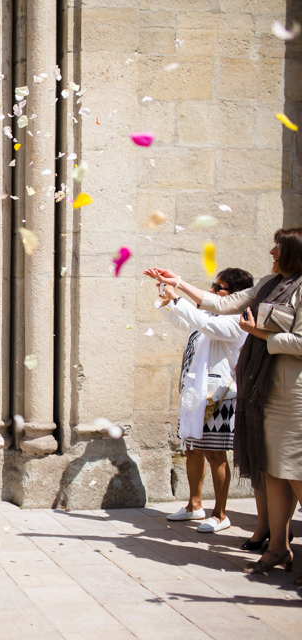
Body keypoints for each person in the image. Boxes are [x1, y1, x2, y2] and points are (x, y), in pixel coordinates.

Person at [145, 227, 302, 581]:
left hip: (292, 393)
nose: (271, 251)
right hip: (264, 389)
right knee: (273, 468)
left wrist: (263, 334)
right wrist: (179, 283)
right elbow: (222, 304)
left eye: (278, 247)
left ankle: (230, 517)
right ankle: (278, 548)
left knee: (295, 470)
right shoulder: (267, 284)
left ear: (294, 252)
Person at [153, 268, 253, 534]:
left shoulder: (236, 320)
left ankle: (220, 514)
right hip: (194, 393)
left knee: (214, 453)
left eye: (218, 288)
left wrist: (178, 299)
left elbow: (205, 325)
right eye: (213, 285)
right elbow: (185, 323)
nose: (212, 291)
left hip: (218, 396)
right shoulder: (208, 313)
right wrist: (167, 300)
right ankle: (194, 504)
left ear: (235, 296)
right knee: (191, 449)